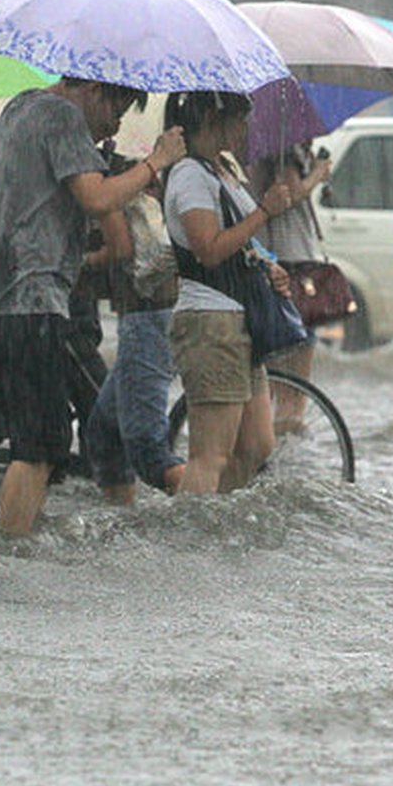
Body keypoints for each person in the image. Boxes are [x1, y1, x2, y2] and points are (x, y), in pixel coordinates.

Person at [0, 77, 186, 536]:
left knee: (36, 440)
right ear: (93, 90)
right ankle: (12, 551)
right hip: (31, 302)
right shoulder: (64, 116)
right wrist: (156, 162)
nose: (111, 128)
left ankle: (18, 541)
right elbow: (96, 197)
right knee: (41, 445)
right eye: (116, 112)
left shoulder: (21, 105)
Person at [161, 91, 302, 495]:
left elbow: (239, 243)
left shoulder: (223, 169)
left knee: (257, 444)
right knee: (211, 454)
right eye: (240, 118)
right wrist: (265, 212)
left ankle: (213, 523)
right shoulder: (189, 174)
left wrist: (267, 264)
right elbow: (208, 250)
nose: (246, 129)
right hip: (210, 321)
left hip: (241, 317)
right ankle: (190, 532)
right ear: (210, 117)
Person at [84, 151, 185, 502]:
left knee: (147, 451)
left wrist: (79, 264)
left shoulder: (112, 182)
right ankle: (122, 525)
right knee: (104, 434)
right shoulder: (147, 173)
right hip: (156, 311)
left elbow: (121, 248)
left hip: (147, 315)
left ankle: (211, 514)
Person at [250, 143, 333, 435]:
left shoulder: (285, 149)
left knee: (282, 352)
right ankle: (286, 427)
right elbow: (291, 193)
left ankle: (278, 426)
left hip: (283, 259)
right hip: (292, 261)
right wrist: (317, 175)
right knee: (297, 349)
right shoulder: (287, 149)